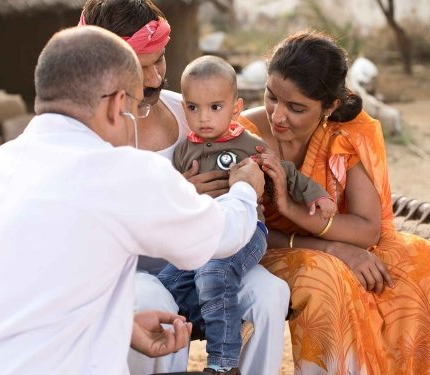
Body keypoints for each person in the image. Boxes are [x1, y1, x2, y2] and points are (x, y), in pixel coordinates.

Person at [0, 25, 267, 374]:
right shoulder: (120, 171)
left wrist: (120, 323)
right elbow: (222, 236)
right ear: (118, 105)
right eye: (136, 106)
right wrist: (244, 187)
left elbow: (28, 299)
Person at [79, 2, 291, 375]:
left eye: (159, 60)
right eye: (141, 68)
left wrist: (250, 190)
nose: (156, 76)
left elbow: (244, 146)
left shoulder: (190, 112)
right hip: (131, 275)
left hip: (210, 258)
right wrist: (177, 199)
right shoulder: (90, 135)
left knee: (270, 294)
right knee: (156, 302)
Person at [239, 29, 430, 374]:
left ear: (331, 106)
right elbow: (241, 230)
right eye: (271, 97)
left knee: (423, 262)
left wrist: (296, 211)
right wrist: (333, 250)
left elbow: (368, 230)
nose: (278, 116)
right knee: (327, 276)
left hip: (331, 239)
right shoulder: (242, 134)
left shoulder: (349, 134)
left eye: (296, 108)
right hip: (262, 249)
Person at [157, 55, 336, 375]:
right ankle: (210, 324)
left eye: (215, 107)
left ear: (235, 108)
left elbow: (286, 172)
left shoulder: (248, 144)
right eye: (194, 108)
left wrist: (317, 195)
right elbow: (170, 197)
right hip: (202, 235)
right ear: (185, 110)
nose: (204, 118)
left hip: (247, 233)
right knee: (166, 283)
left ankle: (224, 362)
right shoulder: (185, 150)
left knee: (214, 272)